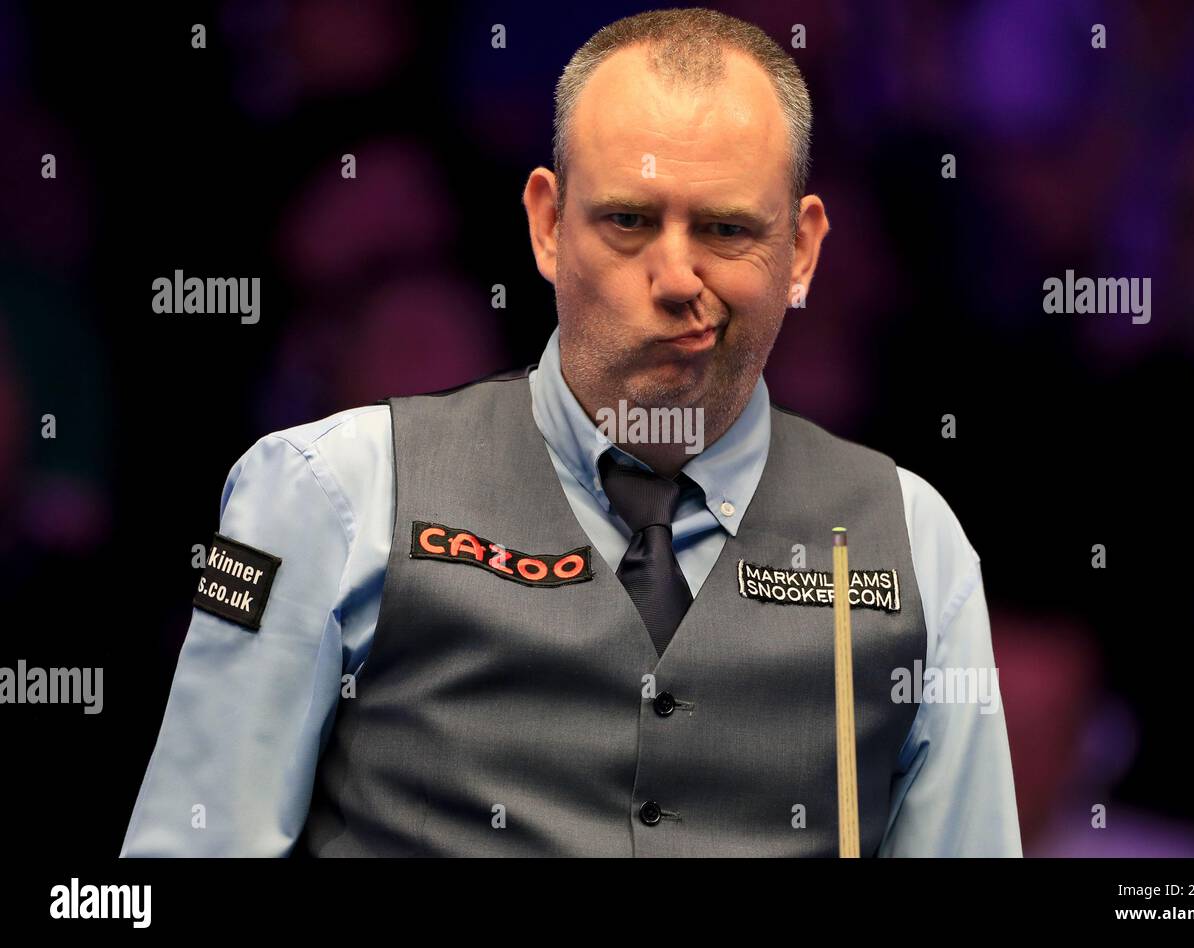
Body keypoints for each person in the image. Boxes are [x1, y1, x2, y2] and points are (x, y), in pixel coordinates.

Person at [121, 7, 1020, 857]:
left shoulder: (917, 543)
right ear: (547, 225)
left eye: (727, 227)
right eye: (629, 220)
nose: (677, 277)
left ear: (804, 252)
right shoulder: (323, 493)